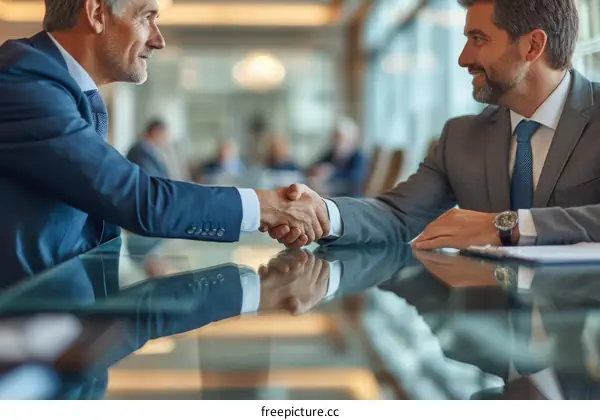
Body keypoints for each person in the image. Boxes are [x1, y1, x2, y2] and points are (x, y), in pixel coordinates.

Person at [0, 0, 328, 283]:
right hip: (23, 329)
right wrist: (266, 207)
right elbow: (137, 198)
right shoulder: (24, 81)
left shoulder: (55, 85)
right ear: (97, 12)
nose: (159, 41)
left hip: (61, 315)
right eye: (146, 17)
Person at [269, 0, 600, 250]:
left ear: (532, 45)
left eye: (479, 39)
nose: (463, 58)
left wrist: (509, 226)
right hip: (486, 324)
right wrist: (325, 214)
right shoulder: (461, 136)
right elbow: (397, 214)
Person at [307, 116, 366, 196]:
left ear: (350, 140)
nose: (335, 142)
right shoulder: (331, 154)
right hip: (331, 196)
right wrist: (315, 170)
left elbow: (355, 179)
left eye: (339, 138)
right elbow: (314, 165)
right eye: (334, 138)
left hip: (351, 199)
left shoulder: (359, 157)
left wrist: (332, 173)